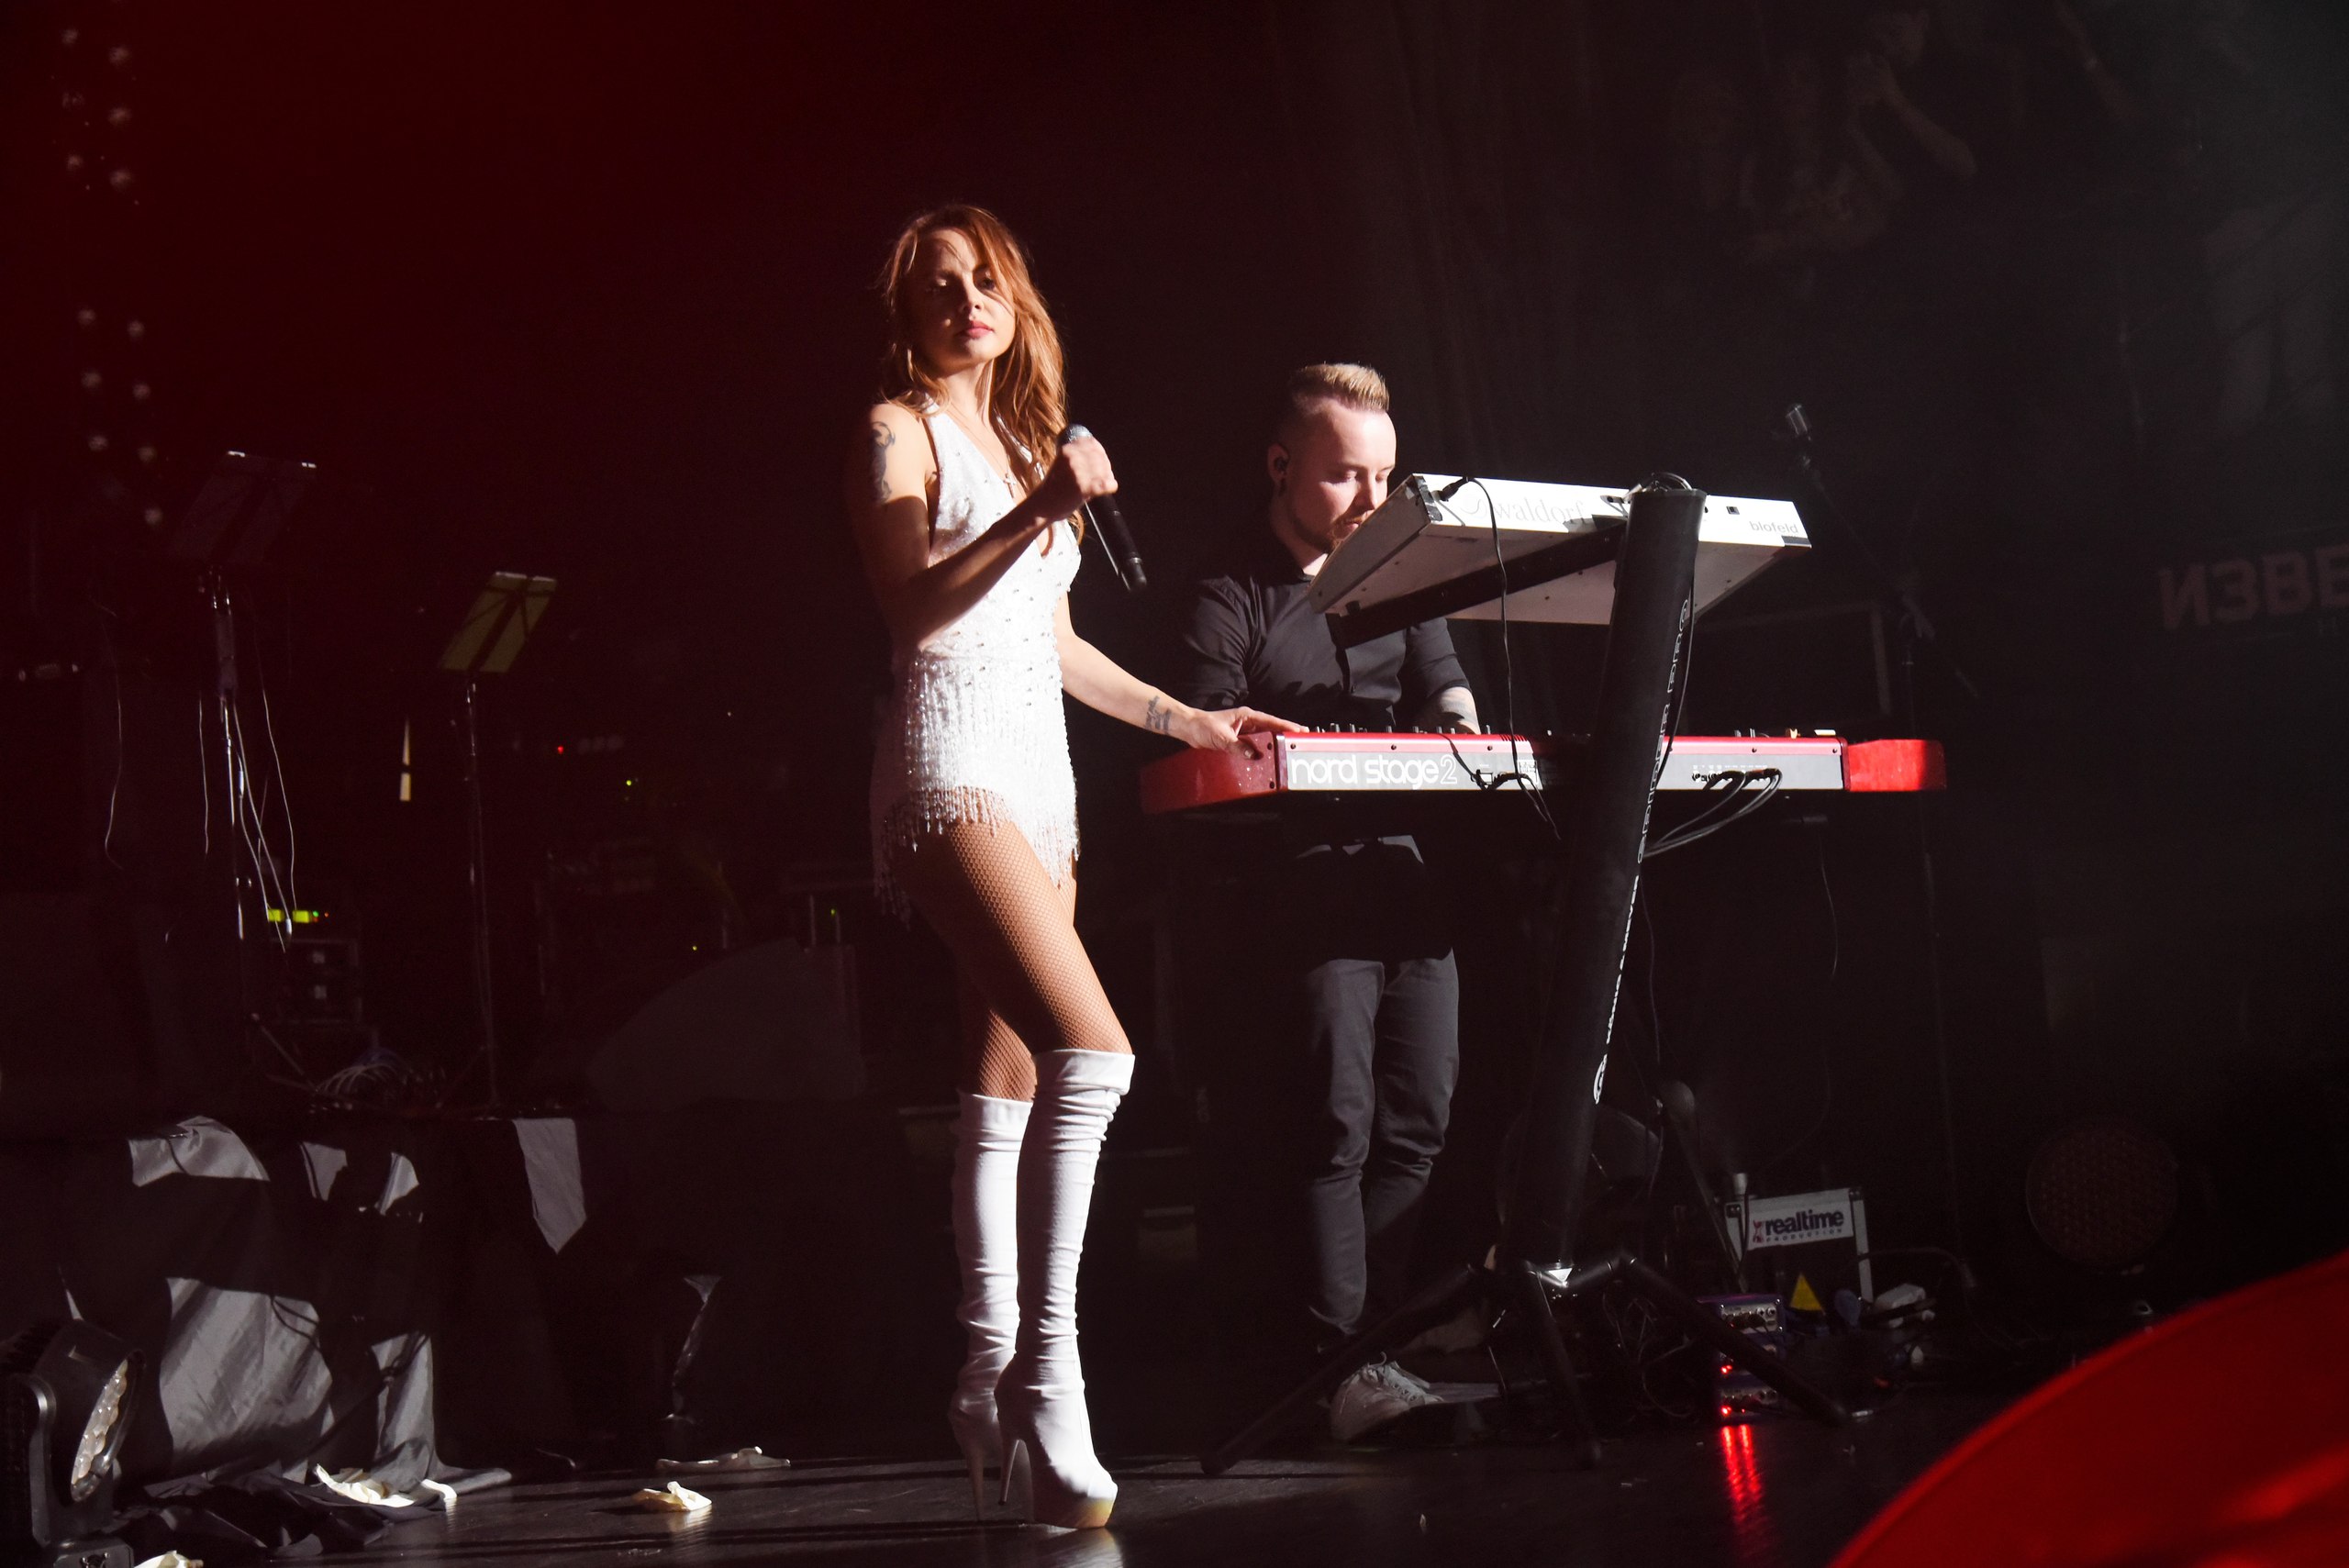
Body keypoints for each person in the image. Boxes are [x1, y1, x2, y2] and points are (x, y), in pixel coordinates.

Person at [849, 204, 1297, 1528]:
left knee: (1002, 1085)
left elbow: (1053, 644)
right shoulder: (896, 430)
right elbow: (914, 608)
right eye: (939, 284)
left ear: (1017, 301)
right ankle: (1050, 1380)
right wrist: (1039, 509)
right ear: (908, 312)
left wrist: (1188, 718)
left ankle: (983, 1375)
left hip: (1040, 779)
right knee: (1094, 1054)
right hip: (947, 765)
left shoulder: (1024, 440)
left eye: (985, 279)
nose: (966, 300)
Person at [1172, 363, 1479, 1441]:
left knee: (1420, 1111)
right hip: (1297, 883)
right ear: (1280, 465)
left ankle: (1373, 1351)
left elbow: (1445, 679)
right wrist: (1250, 733)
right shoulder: (1230, 586)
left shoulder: (1393, 569)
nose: (1370, 498)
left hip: (1398, 872)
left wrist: (1455, 715)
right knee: (1333, 1122)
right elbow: (1206, 725)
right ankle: (1332, 1359)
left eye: (1384, 476)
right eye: (1347, 473)